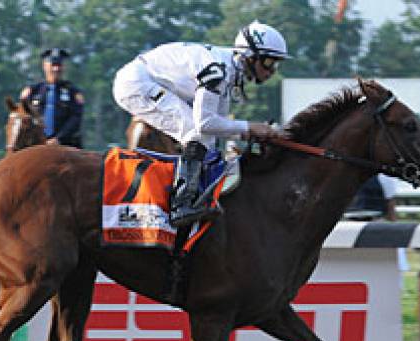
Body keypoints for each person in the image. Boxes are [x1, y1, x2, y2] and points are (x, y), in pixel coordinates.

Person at [113, 20, 291, 227]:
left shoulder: (230, 71)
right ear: (249, 57)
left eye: (276, 64)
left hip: (149, 80)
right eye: (269, 62)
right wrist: (250, 127)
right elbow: (205, 124)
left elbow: (218, 124)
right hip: (137, 83)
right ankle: (182, 204)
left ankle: (187, 194)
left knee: (203, 138)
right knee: (194, 133)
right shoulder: (218, 71)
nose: (272, 71)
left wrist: (248, 133)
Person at [20, 48, 84, 148]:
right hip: (36, 145)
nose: (56, 69)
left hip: (66, 146)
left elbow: (75, 119)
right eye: (53, 65)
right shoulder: (32, 91)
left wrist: (58, 139)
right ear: (44, 66)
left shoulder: (73, 92)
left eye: (59, 65)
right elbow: (24, 118)